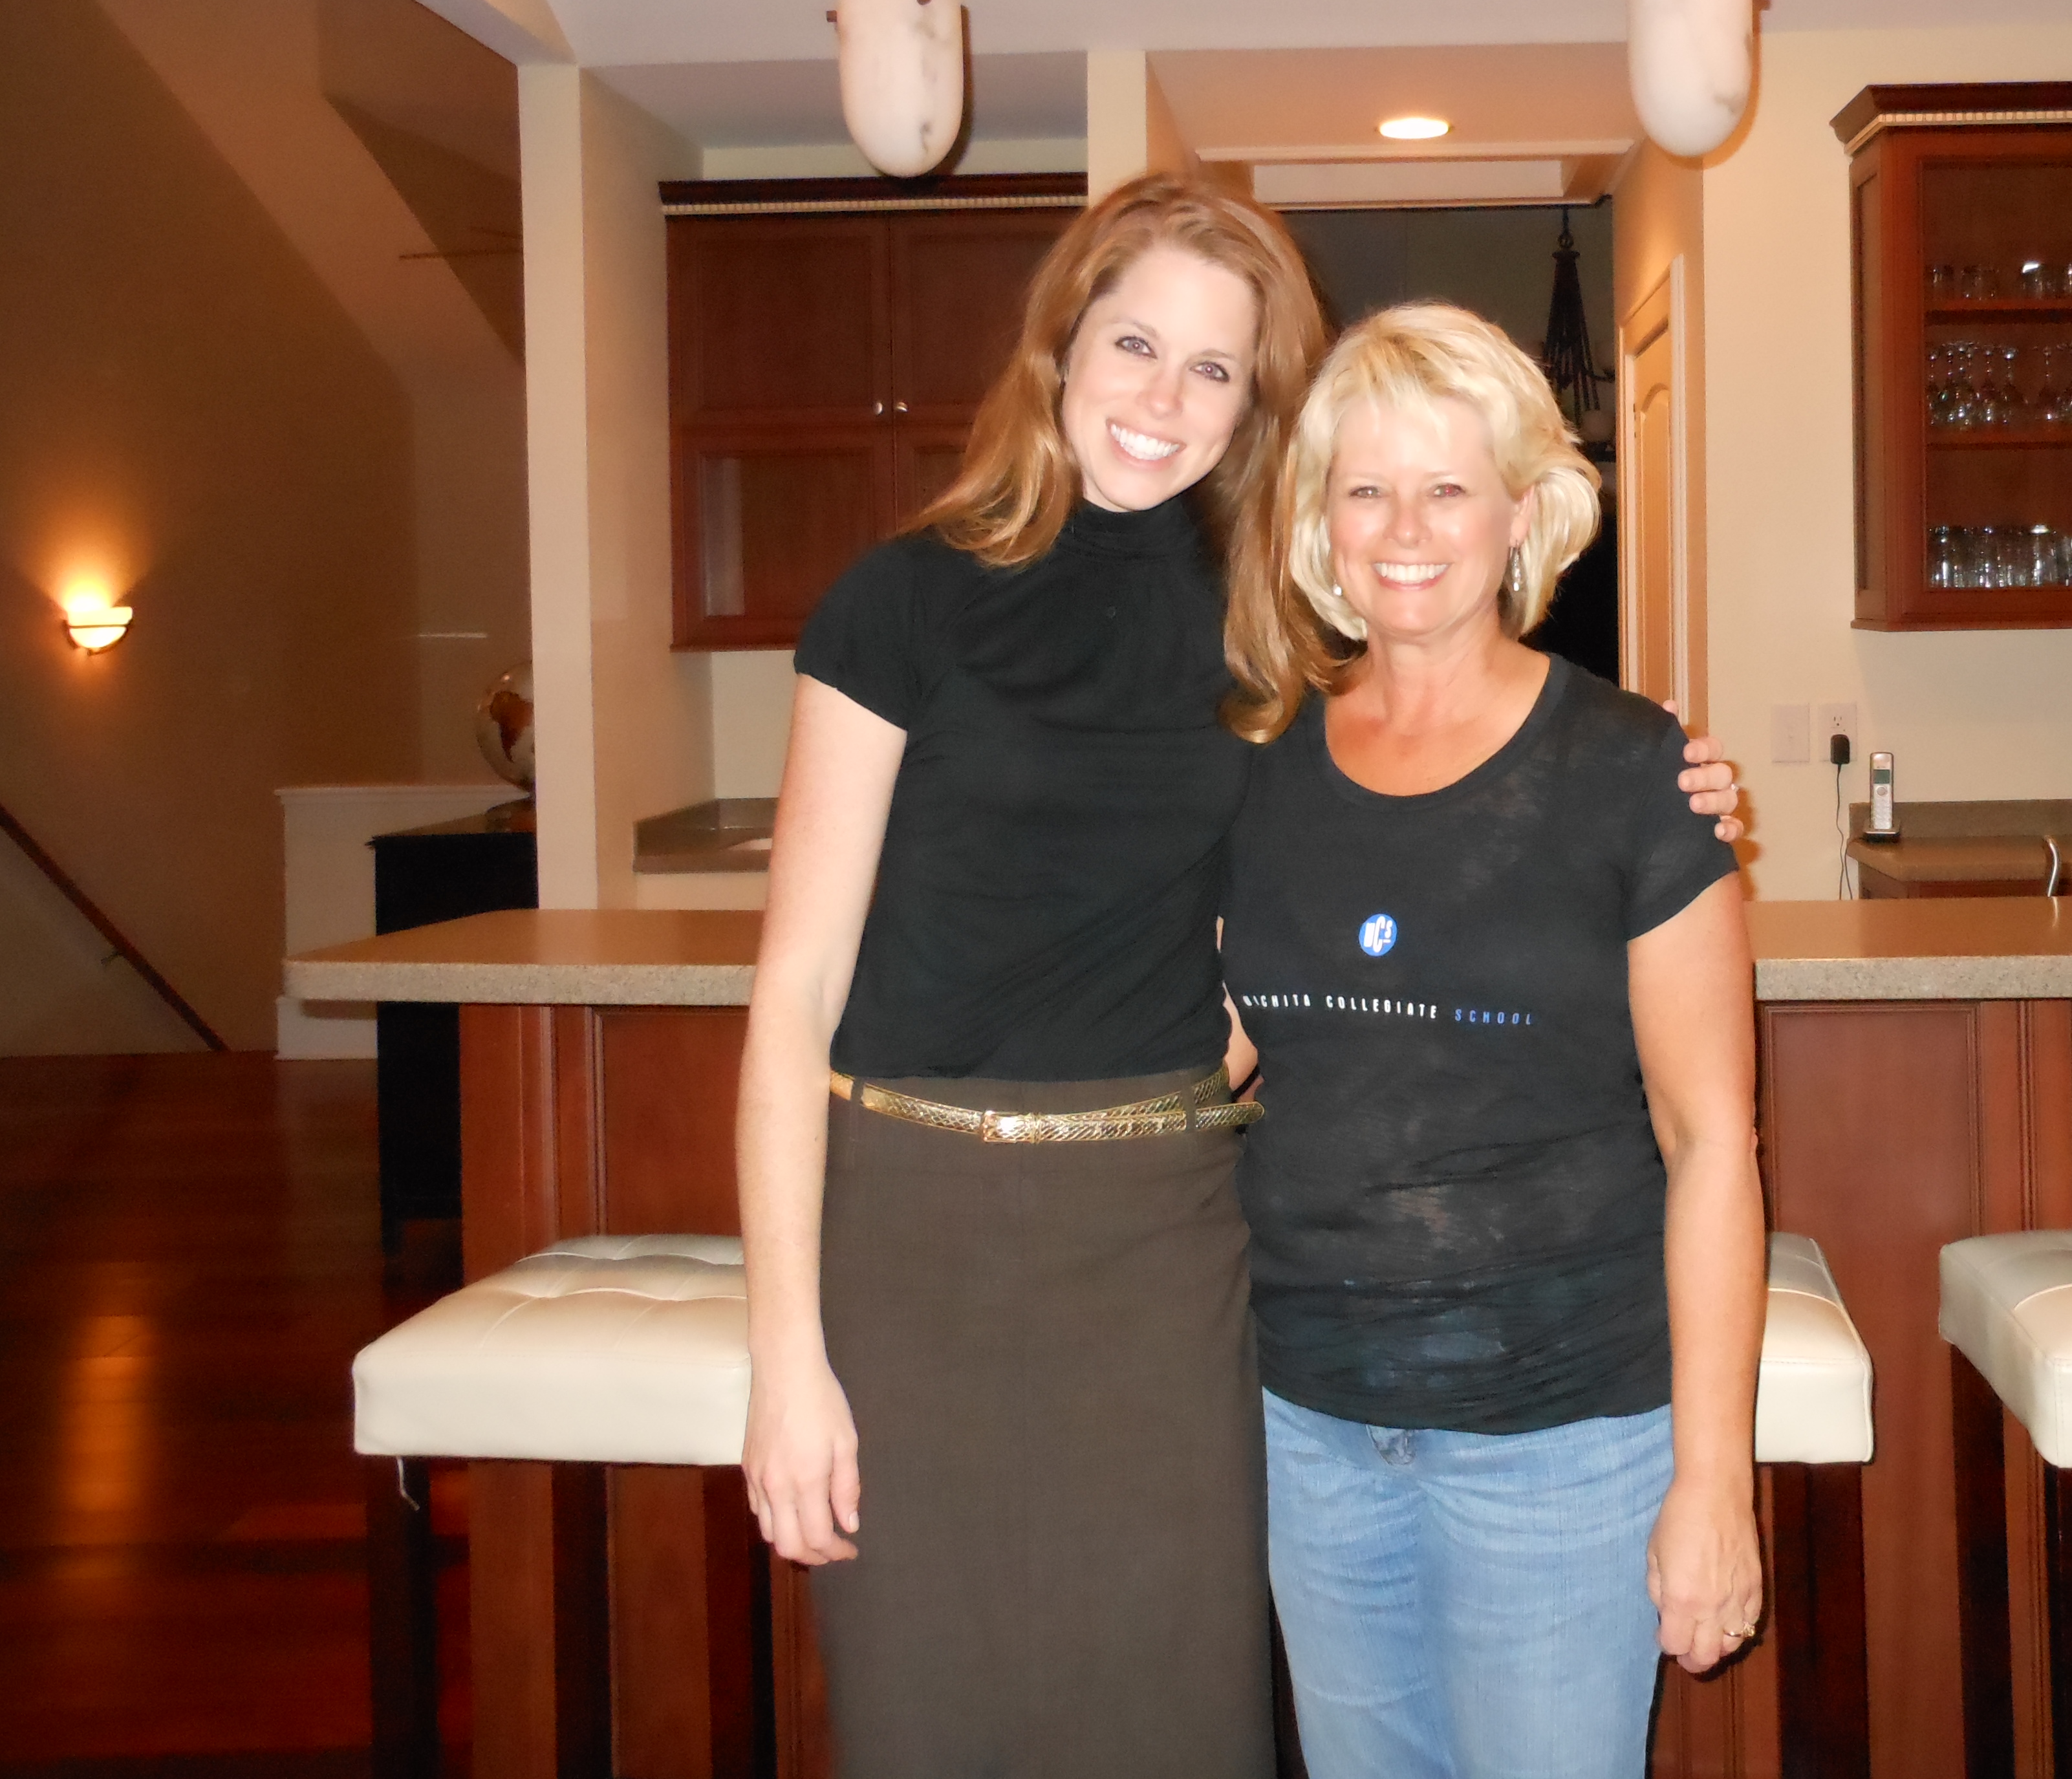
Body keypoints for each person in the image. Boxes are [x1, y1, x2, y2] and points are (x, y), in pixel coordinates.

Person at [735, 182, 1738, 1777]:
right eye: (1136, 343)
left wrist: (1664, 792)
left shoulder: (1267, 643)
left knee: (1178, 1723)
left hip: (1168, 1251)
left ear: (1254, 407)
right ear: (1062, 345)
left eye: (1214, 368)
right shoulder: (897, 605)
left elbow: (1333, 901)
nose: (1163, 397)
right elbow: (792, 1000)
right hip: (917, 1247)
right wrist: (784, 1357)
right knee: (929, 1718)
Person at [1220, 303, 1765, 1779]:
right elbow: (1212, 1055)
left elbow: (1712, 1144)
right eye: (1367, 488)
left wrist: (1715, 1479)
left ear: (1522, 512)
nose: (1405, 530)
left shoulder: (1637, 773)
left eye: (1448, 488)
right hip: (1308, 1428)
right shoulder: (1256, 770)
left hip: (1563, 1437)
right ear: (1321, 520)